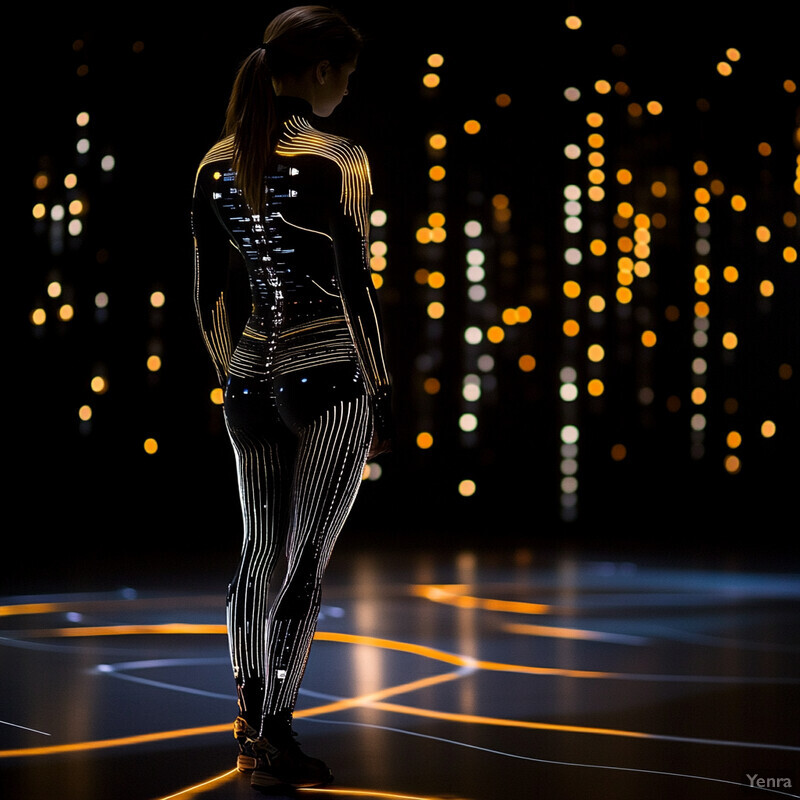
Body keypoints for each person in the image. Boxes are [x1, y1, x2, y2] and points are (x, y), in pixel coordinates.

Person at [191, 6, 392, 791]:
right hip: (332, 379)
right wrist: (381, 391)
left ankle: (251, 725)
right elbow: (355, 289)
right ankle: (273, 731)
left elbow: (210, 295)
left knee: (256, 555)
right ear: (320, 72)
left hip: (247, 379)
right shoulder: (341, 157)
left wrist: (228, 376)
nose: (347, 87)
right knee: (304, 562)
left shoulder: (215, 161)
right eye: (346, 72)